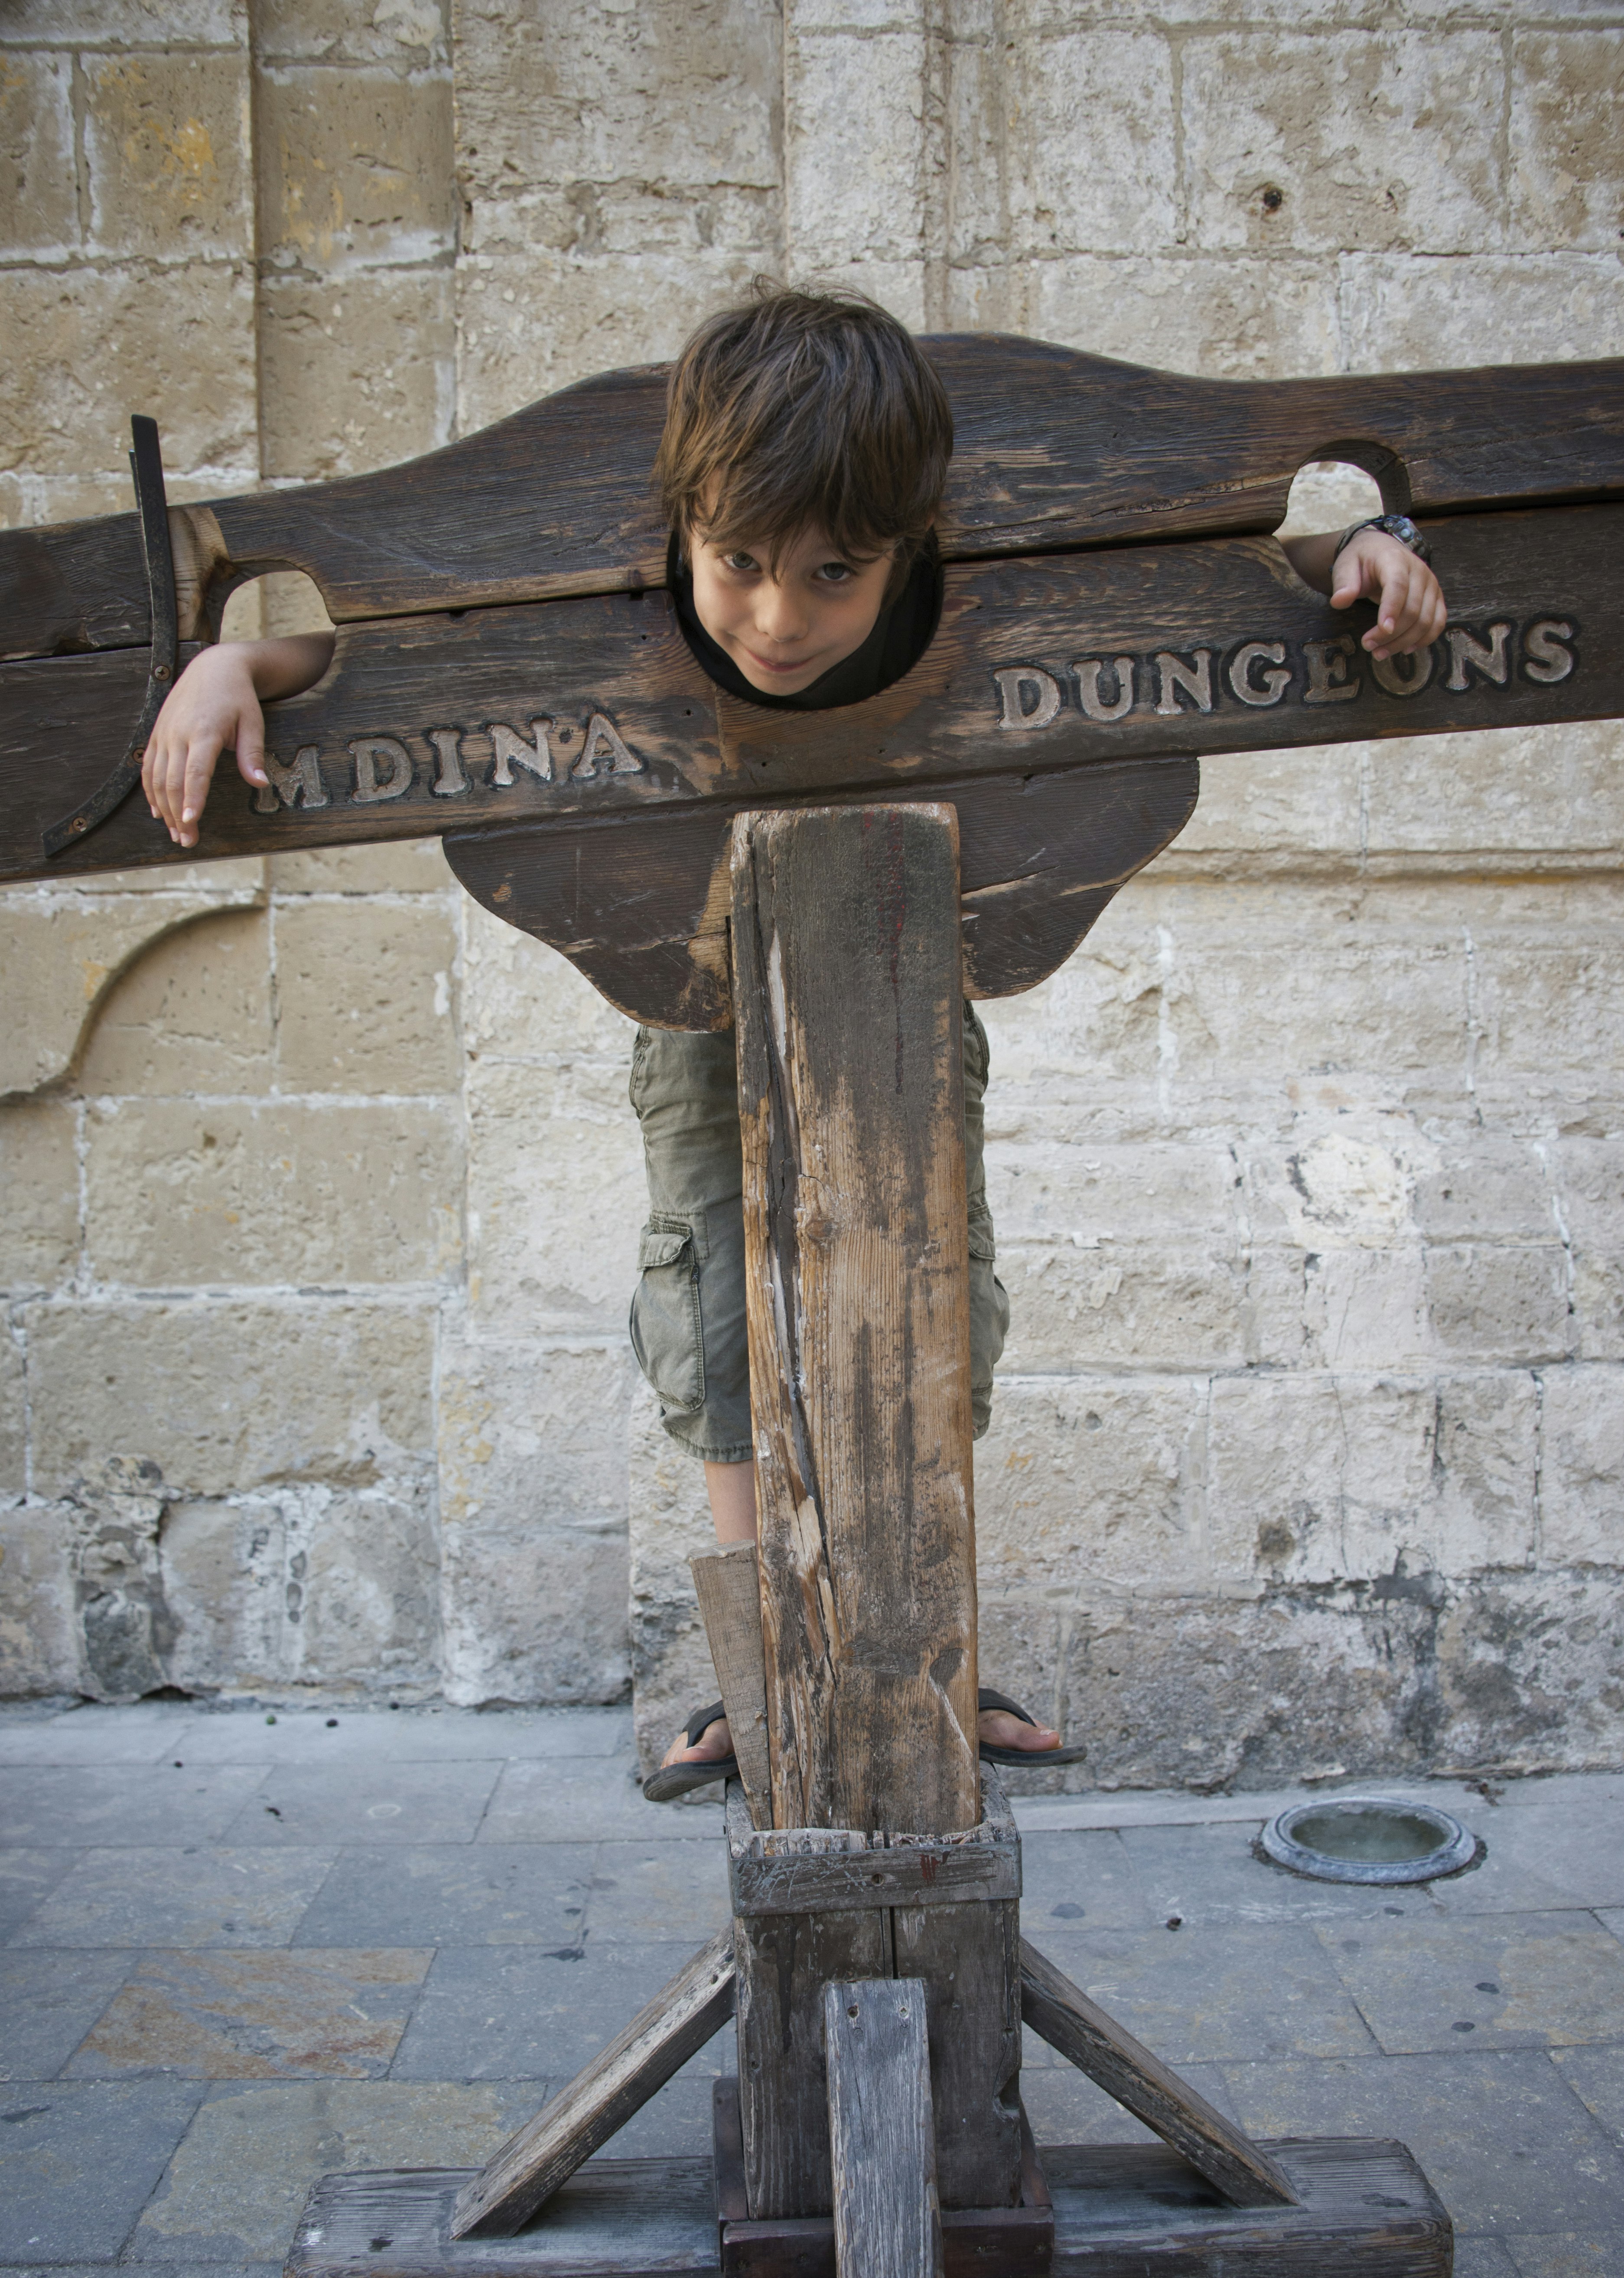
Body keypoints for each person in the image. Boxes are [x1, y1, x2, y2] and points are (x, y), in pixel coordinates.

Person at [140, 283, 1449, 1797]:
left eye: (835, 574)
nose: (778, 616)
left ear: (906, 545)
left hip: (906, 978)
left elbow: (1232, 571)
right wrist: (238, 663)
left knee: (929, 1314)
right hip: (699, 997)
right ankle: (765, 1659)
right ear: (682, 528)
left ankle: (922, 1649)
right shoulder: (685, 590)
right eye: (739, 564)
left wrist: (1370, 545)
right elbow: (392, 649)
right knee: (715, 1323)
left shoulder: (954, 569)